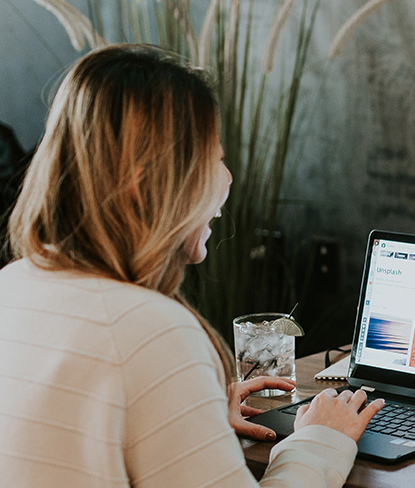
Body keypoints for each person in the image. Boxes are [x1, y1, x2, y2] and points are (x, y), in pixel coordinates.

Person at [0, 44, 384, 487]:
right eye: (213, 160)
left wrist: (189, 413)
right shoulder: (149, 330)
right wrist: (320, 440)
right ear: (146, 184)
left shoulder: (14, 284)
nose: (227, 179)